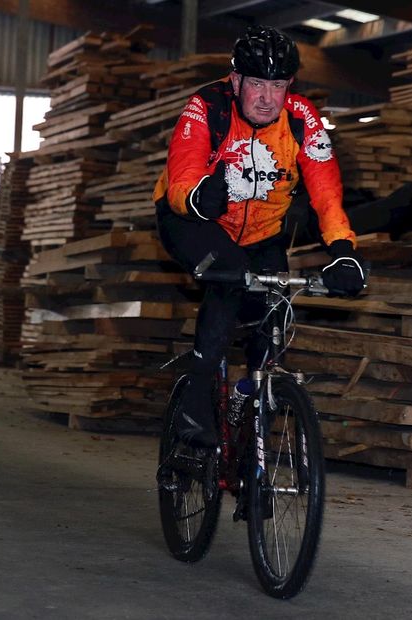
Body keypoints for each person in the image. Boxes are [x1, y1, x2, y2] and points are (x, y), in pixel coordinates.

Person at [152, 26, 367, 446]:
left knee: (275, 313)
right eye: (256, 84)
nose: (268, 97)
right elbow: (182, 173)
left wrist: (343, 251)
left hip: (263, 233)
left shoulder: (303, 121)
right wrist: (197, 197)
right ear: (235, 82)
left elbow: (326, 194)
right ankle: (195, 403)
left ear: (290, 85)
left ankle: (249, 409)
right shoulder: (206, 107)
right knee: (228, 277)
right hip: (195, 220)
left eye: (278, 84)